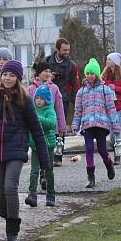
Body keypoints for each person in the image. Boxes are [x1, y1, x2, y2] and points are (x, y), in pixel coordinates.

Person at [0, 60, 50, 241]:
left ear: (17, 78)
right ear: (1, 76)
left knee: (10, 188)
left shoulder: (25, 100)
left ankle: (12, 231)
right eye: (5, 74)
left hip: (16, 150)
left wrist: (45, 161)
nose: (7, 78)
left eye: (12, 75)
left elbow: (37, 130)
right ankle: (7, 212)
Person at [71, 58, 119, 188]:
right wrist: (75, 125)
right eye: (88, 73)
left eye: (92, 73)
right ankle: (91, 177)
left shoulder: (105, 90)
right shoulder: (81, 92)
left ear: (97, 74)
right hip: (87, 125)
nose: (90, 76)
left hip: (101, 125)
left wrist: (116, 126)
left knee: (102, 150)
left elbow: (111, 109)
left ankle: (108, 164)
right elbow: (78, 111)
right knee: (89, 149)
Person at [27, 61, 66, 193]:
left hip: (49, 127)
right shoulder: (31, 89)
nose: (48, 74)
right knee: (37, 157)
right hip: (35, 130)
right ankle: (41, 179)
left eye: (49, 71)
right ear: (38, 73)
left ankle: (46, 178)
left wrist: (62, 126)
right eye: (45, 71)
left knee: (48, 157)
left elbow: (59, 108)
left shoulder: (54, 88)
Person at [45, 38, 79, 166]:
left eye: (68, 50)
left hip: (62, 99)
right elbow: (37, 75)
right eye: (64, 50)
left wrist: (76, 101)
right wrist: (49, 76)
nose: (67, 52)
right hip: (46, 98)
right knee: (47, 126)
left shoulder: (71, 65)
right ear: (57, 49)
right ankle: (47, 154)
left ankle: (58, 156)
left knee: (61, 127)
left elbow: (75, 84)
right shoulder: (47, 61)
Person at [25, 85, 57, 207]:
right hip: (35, 146)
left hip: (47, 145)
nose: (38, 100)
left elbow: (50, 124)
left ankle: (51, 195)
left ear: (47, 100)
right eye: (37, 98)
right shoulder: (33, 109)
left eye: (41, 98)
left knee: (48, 171)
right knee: (34, 171)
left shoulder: (50, 110)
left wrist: (36, 118)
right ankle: (32, 194)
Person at [100, 52, 121, 165]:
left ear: (115, 62)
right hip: (107, 108)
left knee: (116, 133)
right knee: (109, 133)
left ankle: (117, 156)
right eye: (107, 59)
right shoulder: (104, 75)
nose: (107, 61)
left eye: (109, 59)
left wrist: (116, 88)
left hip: (119, 107)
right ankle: (112, 151)